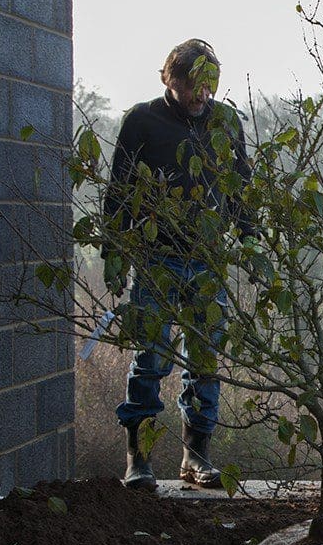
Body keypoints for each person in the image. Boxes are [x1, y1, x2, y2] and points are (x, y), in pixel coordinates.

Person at [101, 38, 254, 490]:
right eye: (190, 85)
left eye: (207, 86)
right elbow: (119, 190)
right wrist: (114, 252)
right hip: (155, 259)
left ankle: (196, 455)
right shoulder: (142, 121)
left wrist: (250, 237)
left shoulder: (225, 123)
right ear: (169, 79)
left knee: (206, 359)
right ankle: (139, 458)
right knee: (150, 358)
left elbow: (239, 183)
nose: (199, 96)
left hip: (207, 259)